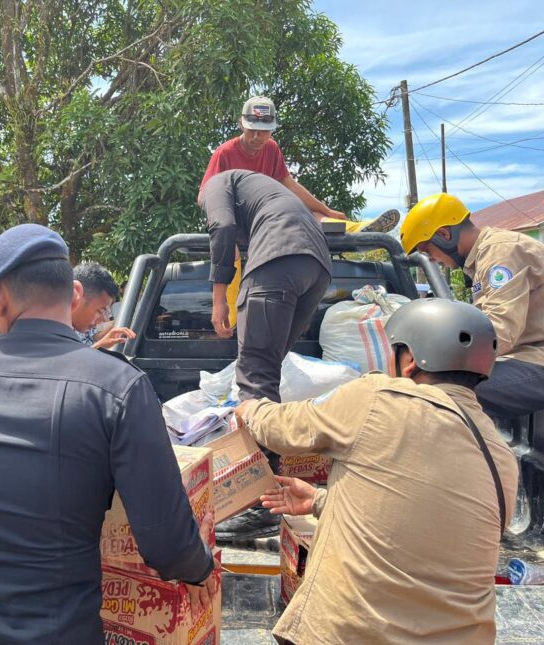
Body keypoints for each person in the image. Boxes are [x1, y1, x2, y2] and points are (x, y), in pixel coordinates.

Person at [0, 224, 216, 644]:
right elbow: (165, 539)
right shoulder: (117, 386)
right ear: (76, 294)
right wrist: (200, 571)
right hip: (48, 630)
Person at [239, 298, 518, 644]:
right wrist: (320, 501)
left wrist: (251, 408)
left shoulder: (378, 398)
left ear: (411, 359)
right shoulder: (502, 456)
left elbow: (283, 429)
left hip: (356, 634)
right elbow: (431, 519)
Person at [201, 169, 332, 539]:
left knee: (255, 378)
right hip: (317, 267)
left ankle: (260, 502)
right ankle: (270, 489)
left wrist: (219, 299)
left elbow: (222, 227)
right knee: (265, 374)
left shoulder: (215, 184)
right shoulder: (265, 191)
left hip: (277, 260)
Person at [400, 192, 544, 418]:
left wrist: (435, 360)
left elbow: (499, 331)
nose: (432, 260)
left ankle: (481, 454)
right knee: (442, 382)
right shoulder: (484, 258)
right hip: (543, 359)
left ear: (444, 235)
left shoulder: (500, 252)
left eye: (427, 250)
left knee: (447, 391)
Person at [199, 95, 399, 234]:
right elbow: (204, 196)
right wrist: (225, 225)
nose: (258, 137)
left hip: (269, 214)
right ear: (241, 124)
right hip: (238, 221)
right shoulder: (225, 153)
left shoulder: (272, 149)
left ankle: (356, 230)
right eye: (252, 130)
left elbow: (290, 186)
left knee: (308, 212)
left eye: (264, 131)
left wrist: (327, 210)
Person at [71, 261, 137, 350]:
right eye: (99, 311)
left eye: (105, 311)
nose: (102, 320)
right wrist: (99, 346)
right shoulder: (52, 328)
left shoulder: (83, 326)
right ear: (77, 295)